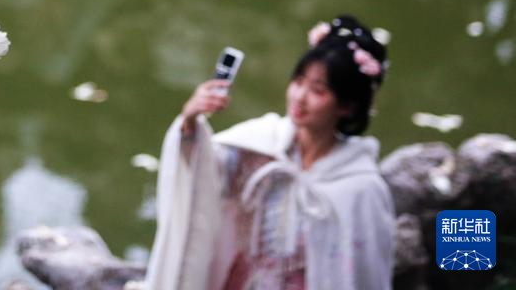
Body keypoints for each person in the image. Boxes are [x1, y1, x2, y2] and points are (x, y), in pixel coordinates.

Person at [142, 16, 395, 290]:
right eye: (298, 81)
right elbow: (203, 177)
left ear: (346, 106)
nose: (300, 96)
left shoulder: (362, 187)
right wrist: (190, 122)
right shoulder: (261, 143)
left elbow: (364, 275)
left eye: (317, 90)